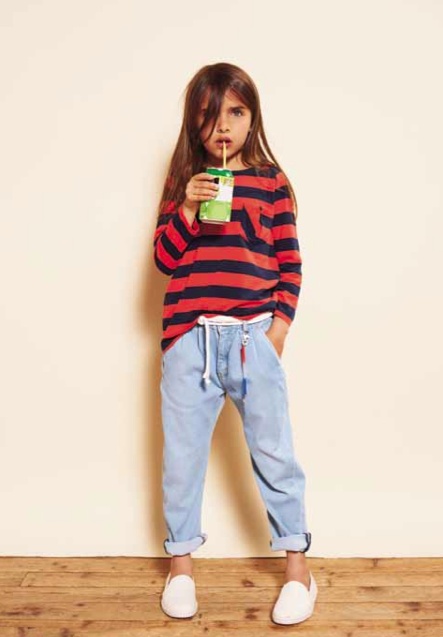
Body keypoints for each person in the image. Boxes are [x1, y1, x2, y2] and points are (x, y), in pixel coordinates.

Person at [153, 62, 317, 625]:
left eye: (236, 112)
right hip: (190, 342)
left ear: (253, 117)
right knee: (182, 461)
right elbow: (163, 260)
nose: (223, 126)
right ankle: (180, 568)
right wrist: (188, 209)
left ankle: (298, 570)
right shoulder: (185, 183)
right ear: (194, 122)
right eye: (210, 114)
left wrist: (277, 332)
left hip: (252, 338)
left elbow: (290, 264)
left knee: (275, 455)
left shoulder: (271, 183)